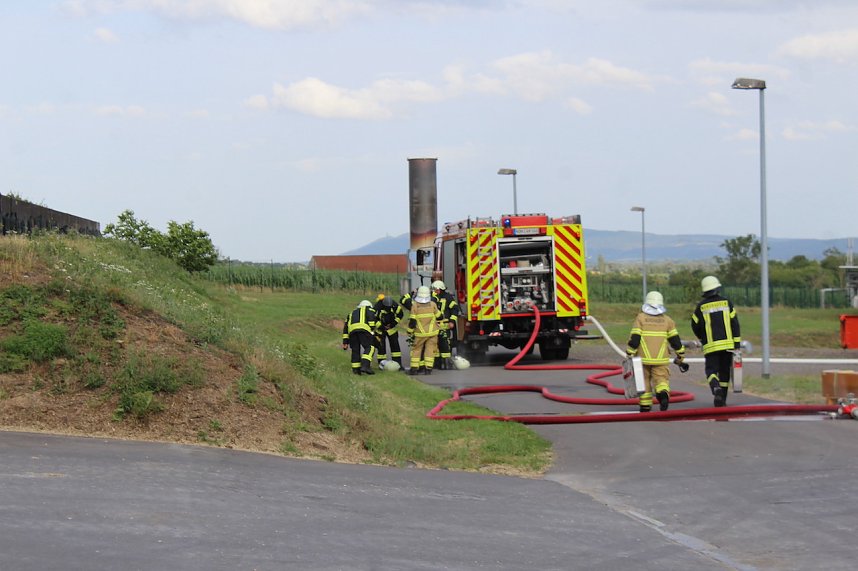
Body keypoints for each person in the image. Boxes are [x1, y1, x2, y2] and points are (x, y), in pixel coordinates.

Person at [626, 291, 687, 412]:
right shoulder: (667, 320)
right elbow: (675, 341)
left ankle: (645, 406)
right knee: (661, 380)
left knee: (644, 382)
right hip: (661, 359)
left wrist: (629, 353)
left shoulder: (641, 318)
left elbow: (635, 339)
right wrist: (681, 355)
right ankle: (663, 395)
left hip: (643, 359)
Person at [691, 275, 742, 407]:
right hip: (728, 346)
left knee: (711, 371)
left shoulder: (701, 307)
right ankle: (722, 400)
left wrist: (702, 338)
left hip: (711, 347)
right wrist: (736, 344)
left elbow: (694, 324)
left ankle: (715, 389)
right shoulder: (727, 303)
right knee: (725, 372)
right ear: (717, 289)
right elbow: (735, 324)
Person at [406, 285, 441, 375]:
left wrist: (409, 331)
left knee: (416, 349)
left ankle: (414, 369)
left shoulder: (415, 306)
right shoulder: (433, 304)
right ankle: (428, 369)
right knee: (430, 349)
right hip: (432, 333)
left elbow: (412, 321)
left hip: (420, 333)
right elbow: (439, 316)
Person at [342, 299, 379, 375]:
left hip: (352, 332)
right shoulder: (370, 309)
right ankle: (365, 366)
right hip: (364, 331)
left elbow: (345, 328)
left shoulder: (351, 313)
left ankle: (356, 370)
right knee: (370, 347)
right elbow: (372, 320)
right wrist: (372, 329)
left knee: (355, 350)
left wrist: (345, 341)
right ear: (369, 306)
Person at [431, 280, 460, 370]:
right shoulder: (432, 298)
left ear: (439, 289)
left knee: (445, 345)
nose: (433, 291)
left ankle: (446, 363)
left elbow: (455, 309)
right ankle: (437, 363)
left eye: (435, 289)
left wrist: (452, 321)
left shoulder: (448, 297)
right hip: (433, 326)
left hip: (445, 325)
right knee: (434, 345)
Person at [374, 294, 404, 369]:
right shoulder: (378, 307)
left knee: (395, 347)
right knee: (381, 348)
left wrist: (393, 323)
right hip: (380, 329)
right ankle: (382, 365)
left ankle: (398, 364)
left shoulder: (394, 306)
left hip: (391, 329)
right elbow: (373, 318)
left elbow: (400, 314)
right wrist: (381, 326)